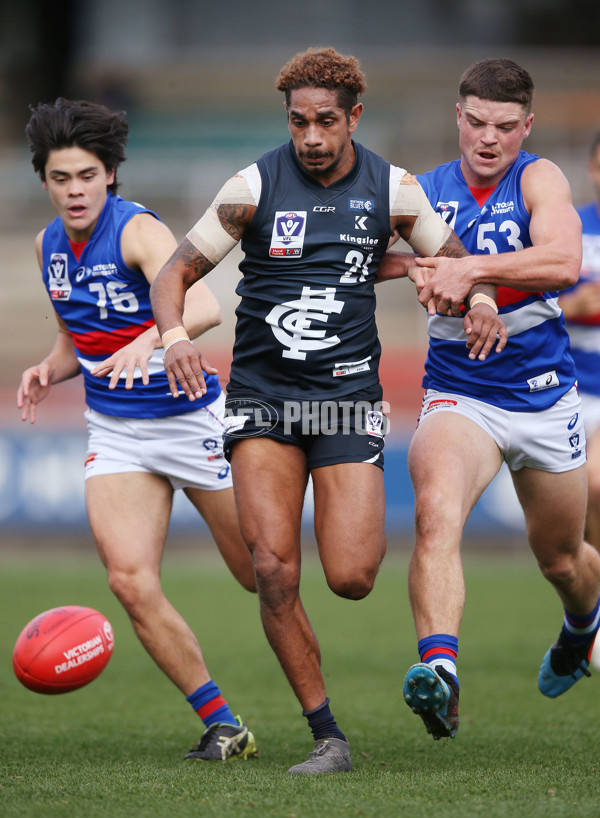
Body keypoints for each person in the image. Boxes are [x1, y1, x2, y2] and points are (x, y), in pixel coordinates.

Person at [148, 47, 506, 774]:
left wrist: (481, 297)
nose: (310, 137)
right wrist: (176, 335)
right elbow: (175, 271)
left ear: (354, 119)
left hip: (345, 401)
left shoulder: (395, 189)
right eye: (298, 122)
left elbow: (457, 259)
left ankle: (431, 677)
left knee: (351, 575)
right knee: (275, 569)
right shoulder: (252, 185)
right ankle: (327, 736)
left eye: (325, 123)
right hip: (261, 397)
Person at [17, 98, 258, 762]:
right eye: (62, 178)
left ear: (111, 176)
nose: (75, 190)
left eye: (87, 176)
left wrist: (151, 342)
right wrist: (49, 368)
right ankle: (222, 723)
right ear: (44, 180)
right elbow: (80, 340)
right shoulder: (46, 247)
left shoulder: (137, 232)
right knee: (129, 579)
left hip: (190, 420)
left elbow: (205, 305)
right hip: (118, 433)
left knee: (260, 573)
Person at [377, 58, 600, 742]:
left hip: (543, 399)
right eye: (475, 123)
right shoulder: (421, 191)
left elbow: (562, 263)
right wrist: (418, 267)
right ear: (458, 117)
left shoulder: (539, 178)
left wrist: (469, 267)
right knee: (437, 514)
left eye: (505, 127)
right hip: (459, 394)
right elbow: (370, 259)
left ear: (526, 127)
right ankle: (439, 674)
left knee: (562, 559)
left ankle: (581, 626)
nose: (488, 139)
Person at [558, 132, 600, 670]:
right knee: (583, 504)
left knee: (594, 483)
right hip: (571, 388)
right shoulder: (570, 227)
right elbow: (537, 298)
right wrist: (575, 301)